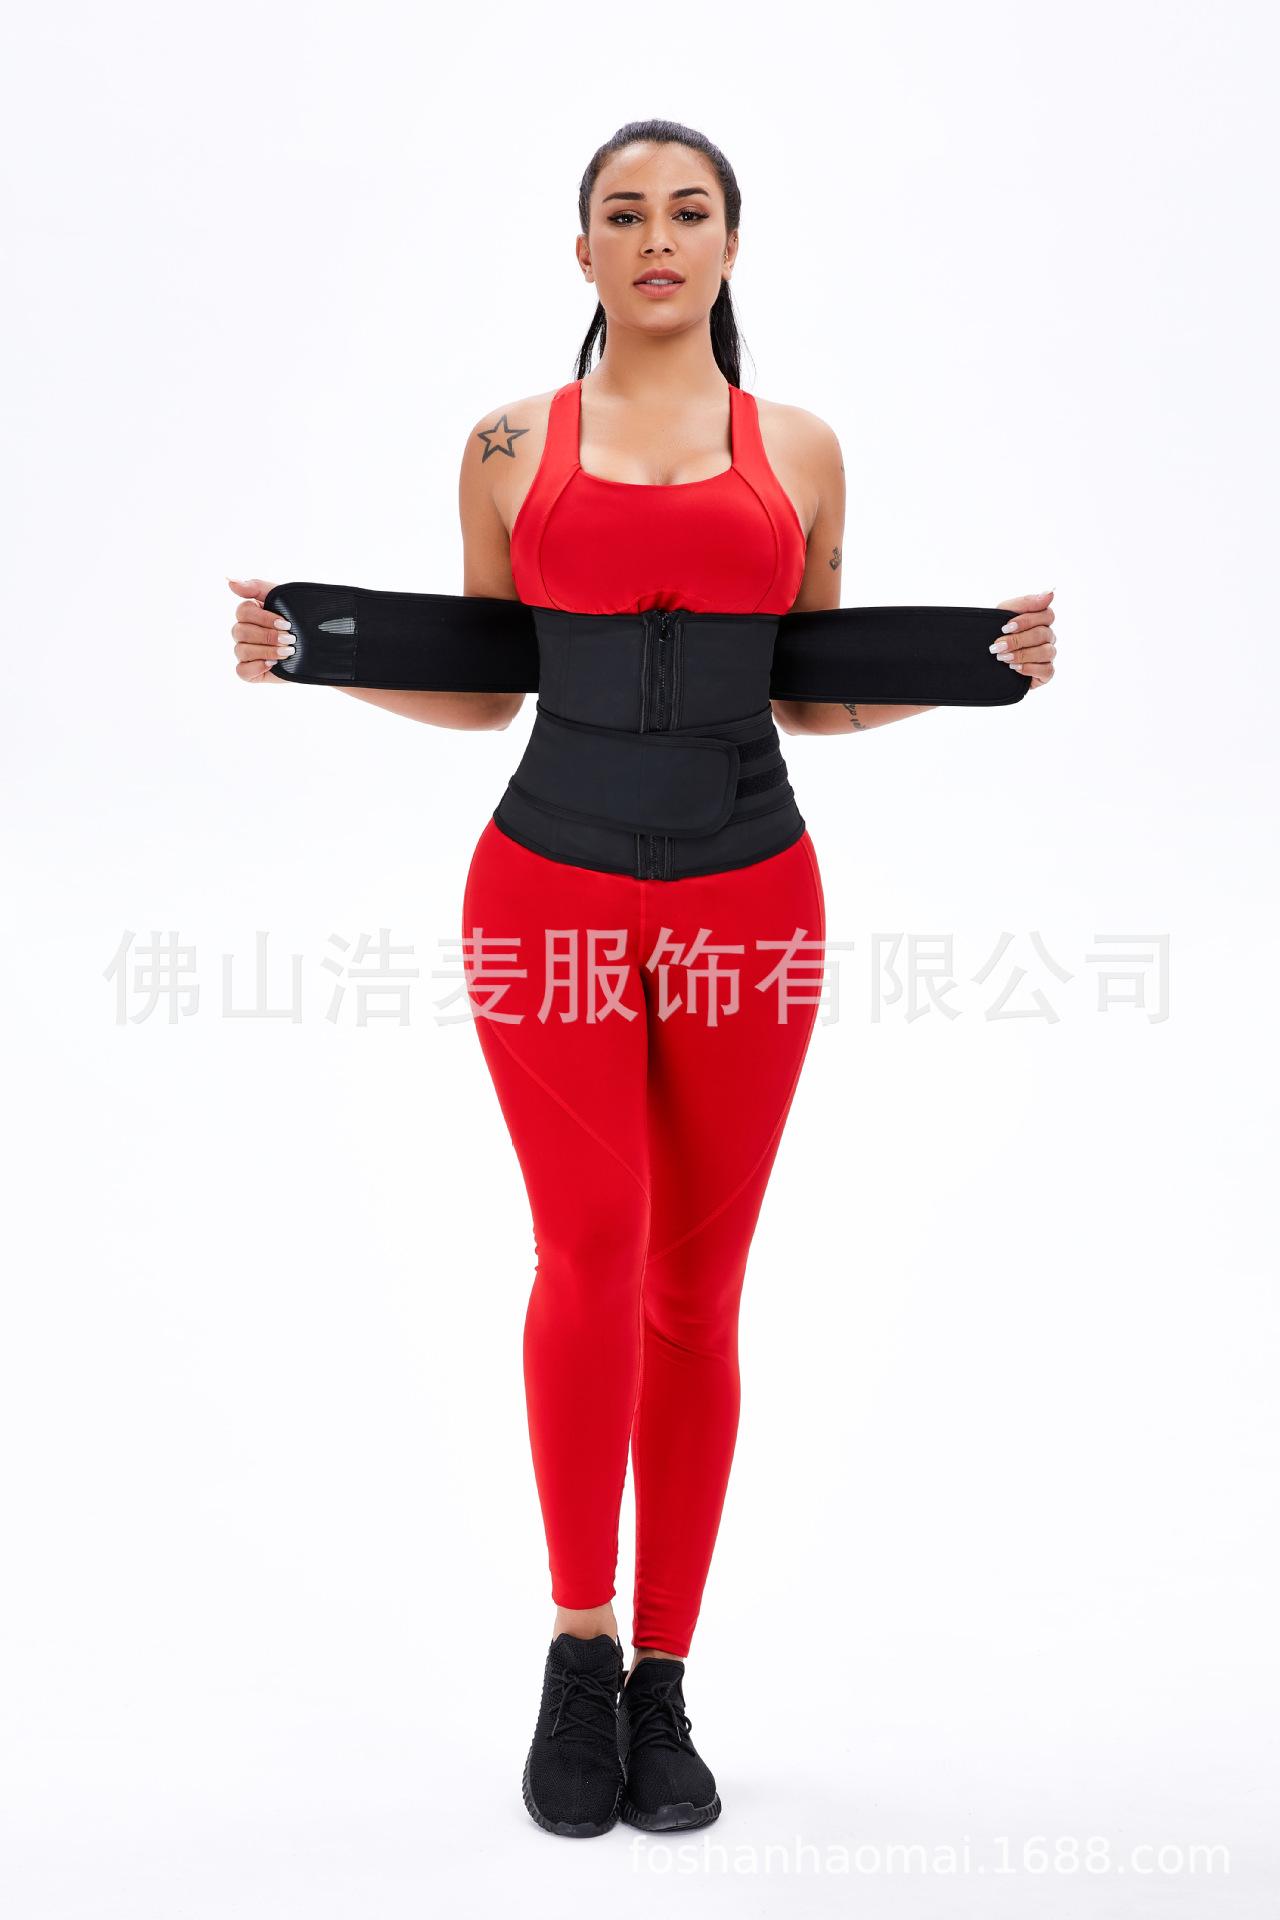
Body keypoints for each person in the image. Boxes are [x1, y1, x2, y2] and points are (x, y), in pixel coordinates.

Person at [228, 117, 1057, 1841]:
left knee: (699, 1288)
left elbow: (809, 692)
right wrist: (309, 657)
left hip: (753, 903)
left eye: (690, 212)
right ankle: (578, 1649)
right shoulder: (506, 442)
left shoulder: (800, 448)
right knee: (589, 1254)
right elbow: (488, 684)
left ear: (731, 245)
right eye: (626, 213)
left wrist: (981, 670)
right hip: (548, 896)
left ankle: (666, 1677)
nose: (658, 237)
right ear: (584, 251)